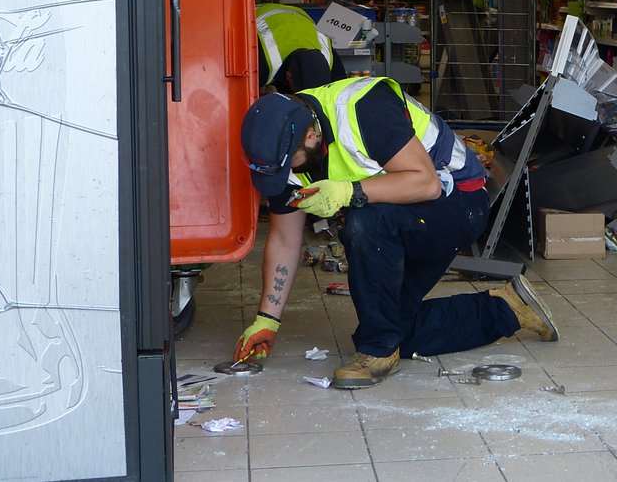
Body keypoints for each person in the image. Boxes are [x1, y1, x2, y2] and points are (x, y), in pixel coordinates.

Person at [232, 77, 558, 388]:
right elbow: (284, 239)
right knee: (395, 327)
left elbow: (427, 184)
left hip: (460, 200)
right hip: (403, 211)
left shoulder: (364, 108)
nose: (288, 175)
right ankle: (506, 308)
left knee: (365, 222)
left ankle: (378, 351)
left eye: (291, 165)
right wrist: (267, 320)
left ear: (311, 137)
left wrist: (349, 192)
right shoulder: (282, 155)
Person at [255, 2, 346, 93]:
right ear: (288, 76)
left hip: (296, 14)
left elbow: (340, 91)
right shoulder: (264, 63)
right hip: (255, 13)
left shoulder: (329, 58)